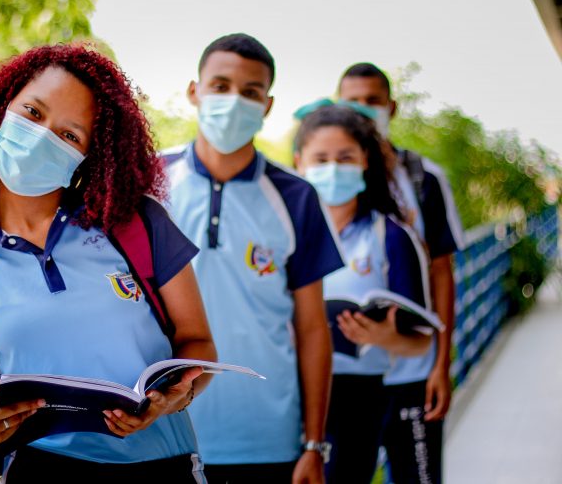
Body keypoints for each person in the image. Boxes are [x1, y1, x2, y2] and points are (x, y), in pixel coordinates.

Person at [0, 43, 218, 482]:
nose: (42, 137)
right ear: (2, 108)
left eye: (69, 135)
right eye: (33, 114)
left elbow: (199, 345)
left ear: (88, 157)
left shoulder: (139, 224)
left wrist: (174, 398)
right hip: (39, 471)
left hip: (163, 468)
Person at [161, 33, 344, 483]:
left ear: (267, 104)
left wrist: (314, 444)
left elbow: (312, 328)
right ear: (194, 91)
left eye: (250, 92)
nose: (233, 101)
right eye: (220, 86)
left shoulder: (296, 196)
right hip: (162, 433)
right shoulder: (149, 182)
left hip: (268, 440)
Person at [292, 102, 434, 484]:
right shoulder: (281, 232)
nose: (333, 168)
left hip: (359, 395)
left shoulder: (392, 237)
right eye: (320, 158)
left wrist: (387, 338)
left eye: (345, 157)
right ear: (298, 162)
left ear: (365, 160)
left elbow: (422, 340)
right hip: (288, 389)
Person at [337, 62, 464, 484]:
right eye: (352, 101)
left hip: (412, 373)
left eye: (372, 101)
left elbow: (443, 271)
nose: (363, 110)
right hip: (345, 380)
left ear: (391, 106)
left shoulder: (423, 178)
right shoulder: (324, 180)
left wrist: (440, 365)